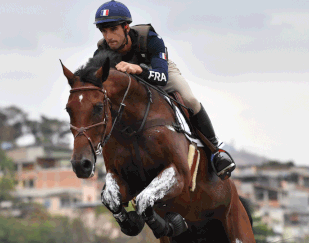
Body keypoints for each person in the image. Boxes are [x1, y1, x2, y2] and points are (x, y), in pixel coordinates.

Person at [93, 0, 236, 179]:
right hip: (131, 85)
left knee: (189, 99)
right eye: (104, 31)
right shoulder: (102, 51)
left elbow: (162, 77)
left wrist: (139, 70)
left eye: (113, 29)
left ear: (126, 27)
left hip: (158, 71)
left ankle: (215, 151)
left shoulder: (150, 38)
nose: (109, 36)